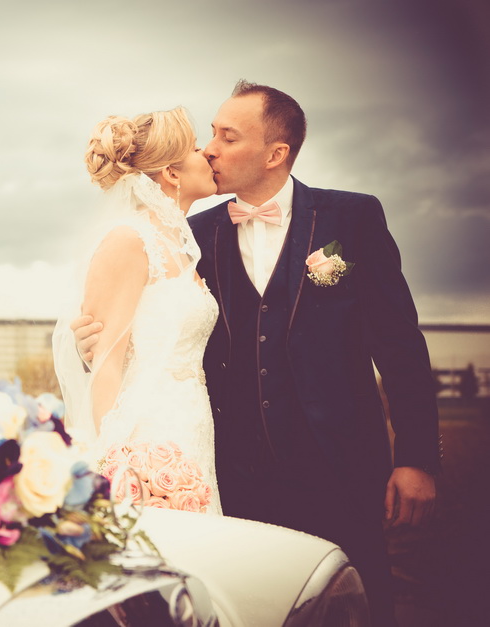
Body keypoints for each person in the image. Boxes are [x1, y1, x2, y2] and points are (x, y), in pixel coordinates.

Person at [73, 80, 440, 626]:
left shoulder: (352, 220)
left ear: (276, 153)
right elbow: (151, 333)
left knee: (355, 605)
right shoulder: (191, 234)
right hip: (230, 474)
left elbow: (401, 345)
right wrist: (94, 348)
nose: (212, 148)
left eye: (226, 136)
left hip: (342, 471)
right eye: (209, 136)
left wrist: (416, 457)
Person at [52, 106, 222, 515]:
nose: (210, 154)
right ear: (173, 174)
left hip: (192, 424)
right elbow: (106, 362)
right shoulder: (130, 240)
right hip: (148, 433)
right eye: (198, 148)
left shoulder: (184, 244)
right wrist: (117, 462)